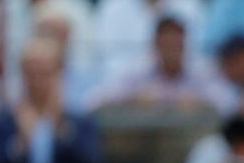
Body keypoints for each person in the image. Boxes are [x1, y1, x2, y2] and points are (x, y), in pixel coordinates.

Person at [0, 36, 102, 163]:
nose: (38, 81)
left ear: (59, 73)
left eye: (45, 72)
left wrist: (61, 130)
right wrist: (19, 145)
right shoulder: (1, 123)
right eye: (32, 73)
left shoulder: (81, 123)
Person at [89, 16, 223, 115]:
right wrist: (132, 100)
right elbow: (95, 101)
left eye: (177, 45)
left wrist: (200, 102)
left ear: (185, 44)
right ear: (156, 45)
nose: (172, 50)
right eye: (167, 44)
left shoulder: (201, 71)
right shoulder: (137, 72)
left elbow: (227, 103)